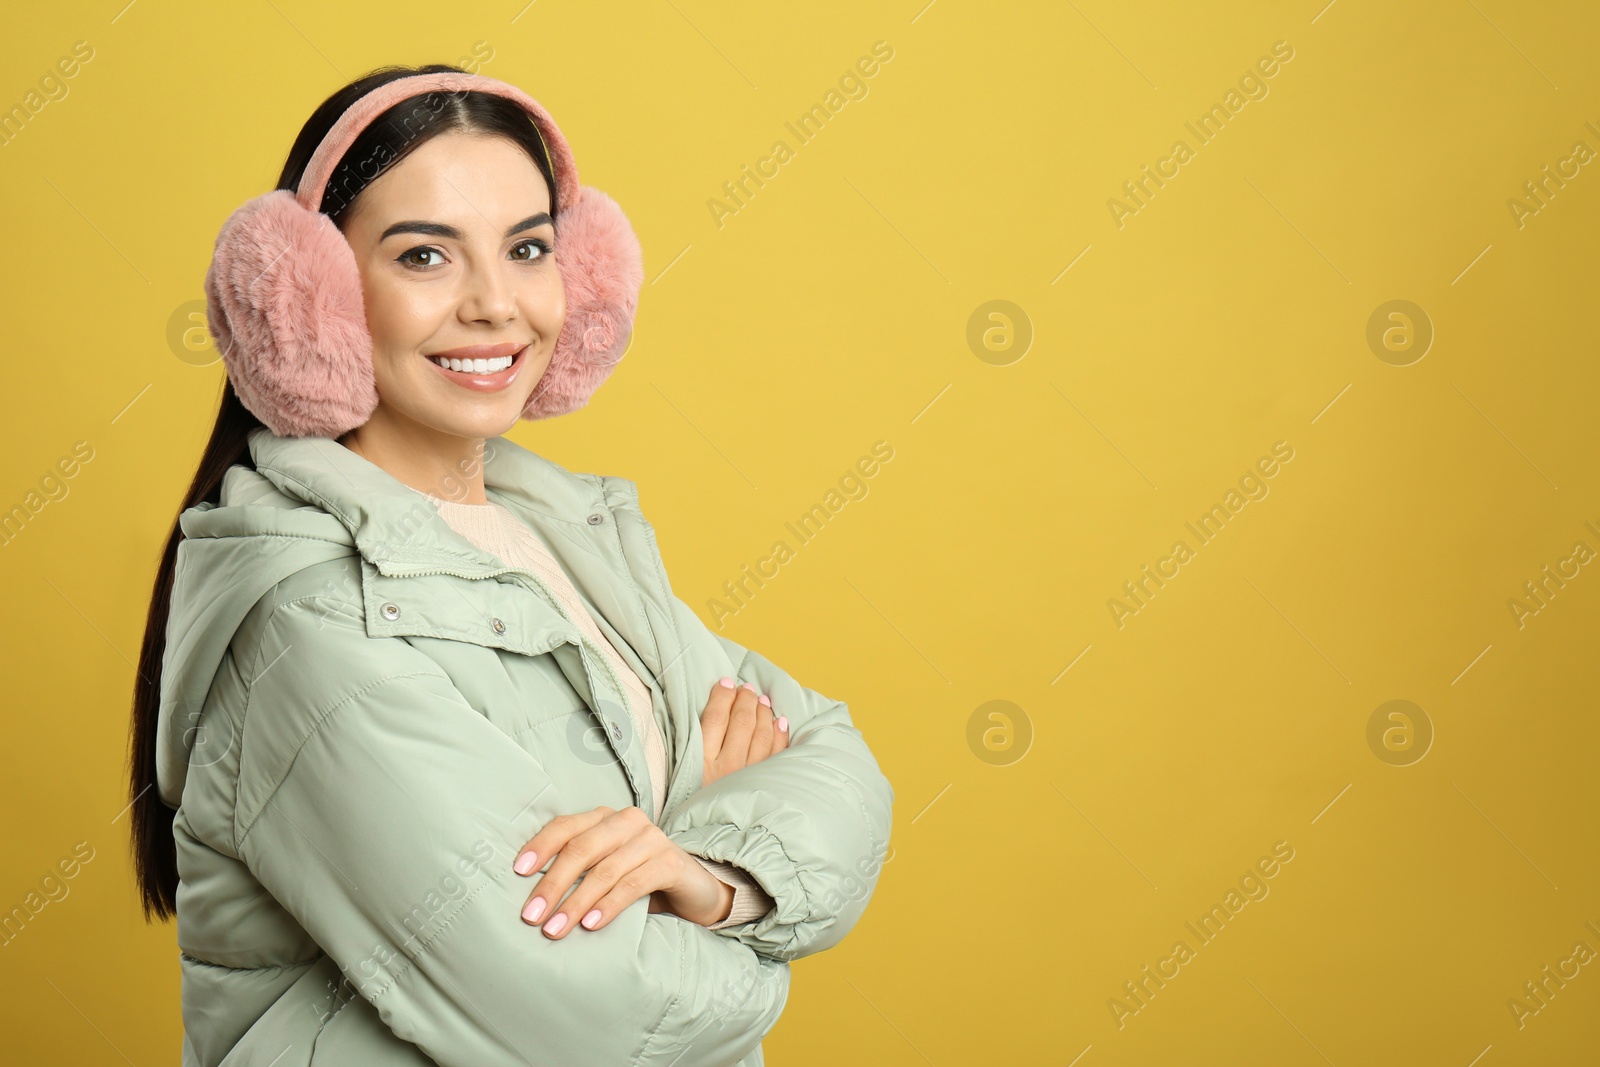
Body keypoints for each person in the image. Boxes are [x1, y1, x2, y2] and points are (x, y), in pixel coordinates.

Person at [125, 64, 894, 1066]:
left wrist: (703, 874)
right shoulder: (308, 627)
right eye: (425, 256)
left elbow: (837, 756)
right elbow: (584, 1016)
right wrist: (739, 874)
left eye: (527, 248)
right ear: (312, 302)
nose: (495, 303)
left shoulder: (565, 533)